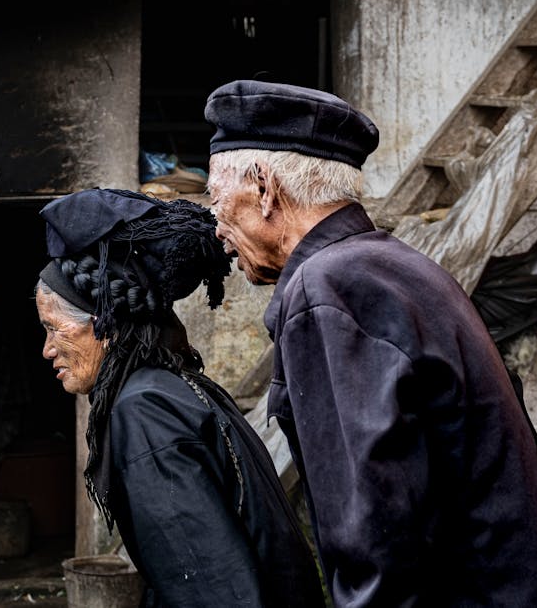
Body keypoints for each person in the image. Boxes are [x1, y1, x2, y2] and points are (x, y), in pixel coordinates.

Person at [203, 80, 537, 606]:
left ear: (263, 187)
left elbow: (377, 528)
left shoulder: (328, 287)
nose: (215, 223)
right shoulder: (391, 265)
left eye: (215, 197)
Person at [35, 188, 325, 607]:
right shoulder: (169, 387)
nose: (47, 349)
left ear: (105, 325)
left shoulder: (146, 412)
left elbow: (210, 589)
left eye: (54, 328)